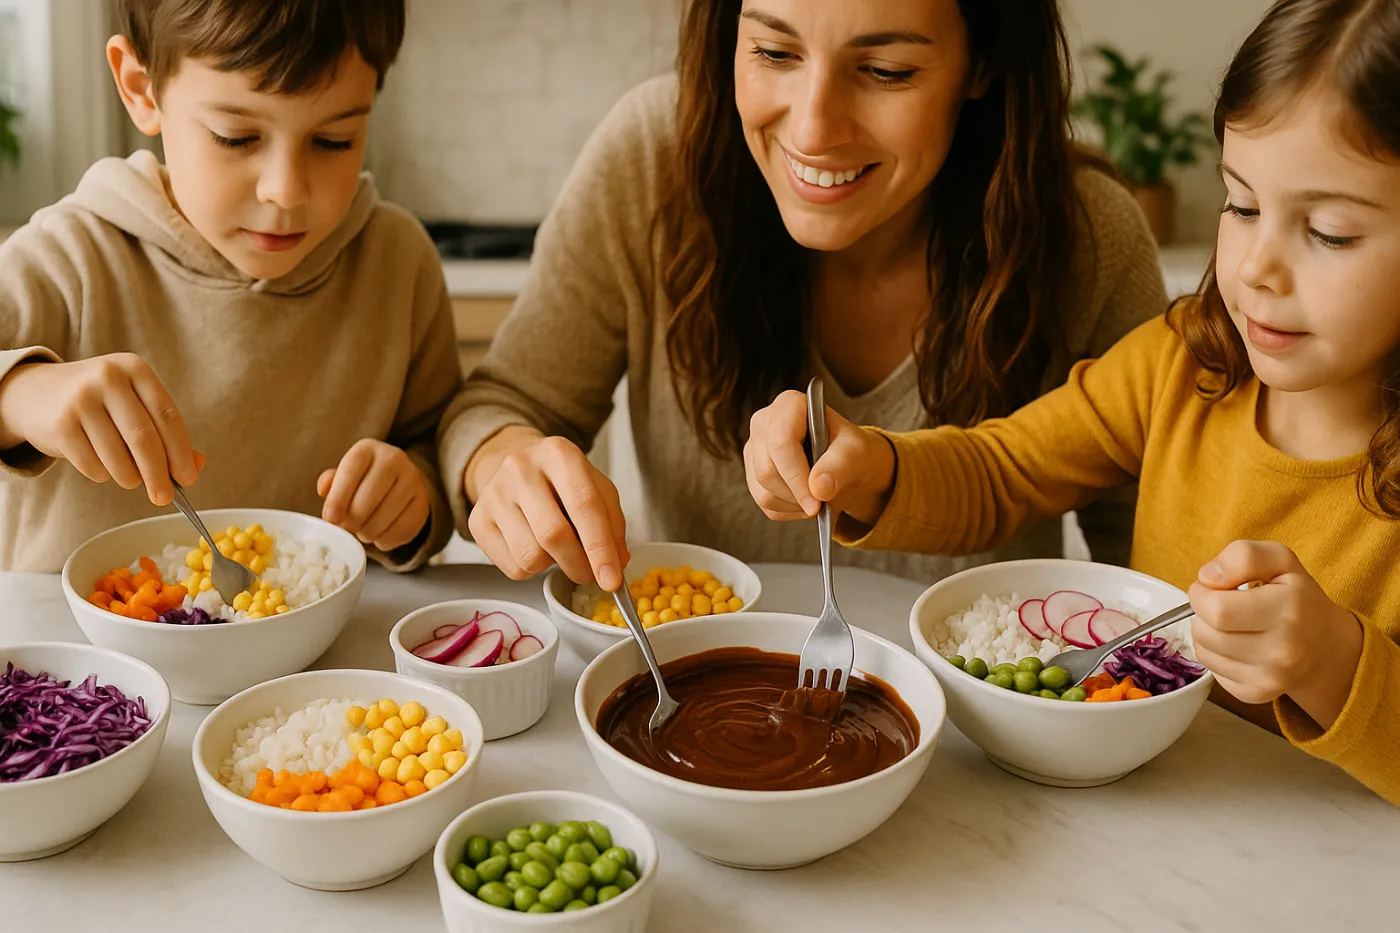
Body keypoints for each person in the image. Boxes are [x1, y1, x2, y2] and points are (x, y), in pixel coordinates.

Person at [744, 0, 1400, 805]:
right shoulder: (1185, 362)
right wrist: (873, 467)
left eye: (1329, 232)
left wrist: (1338, 665)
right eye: (1242, 204)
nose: (1258, 266)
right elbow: (1006, 468)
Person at [438, 0, 1166, 593]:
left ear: (983, 64)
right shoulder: (651, 155)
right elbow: (501, 407)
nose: (814, 128)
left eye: (886, 70)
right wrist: (503, 461)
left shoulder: (1089, 235)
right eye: (775, 54)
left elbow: (1154, 557)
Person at [0, 0, 461, 573]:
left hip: (321, 659)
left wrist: (414, 499)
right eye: (236, 137)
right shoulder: (66, 258)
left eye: (334, 140)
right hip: (79, 657)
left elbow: (442, 452)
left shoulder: (398, 264)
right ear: (142, 89)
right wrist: (19, 396)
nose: (286, 191)